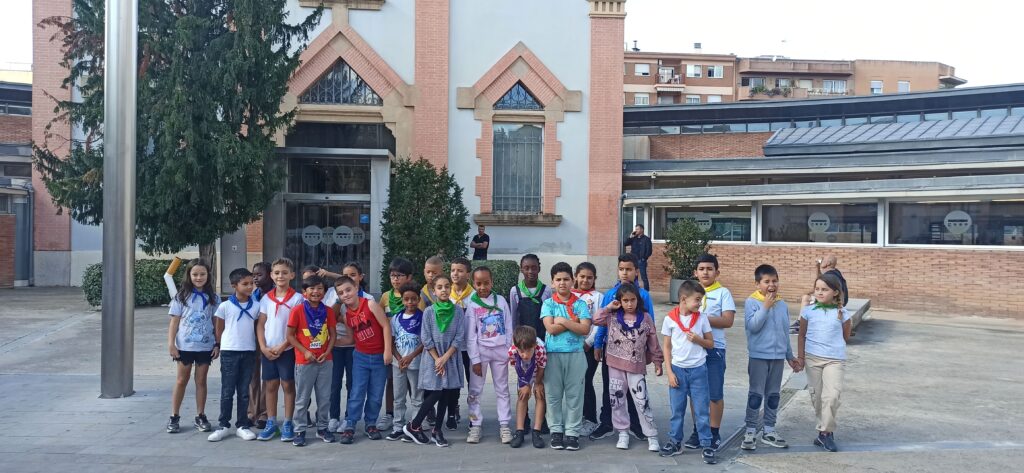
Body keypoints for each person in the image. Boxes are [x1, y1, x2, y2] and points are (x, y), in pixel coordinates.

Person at [592, 283, 664, 452]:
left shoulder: (645, 317)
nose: (629, 304)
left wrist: (657, 361)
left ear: (638, 300)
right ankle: (623, 433)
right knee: (617, 401)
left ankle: (651, 435)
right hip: (615, 366)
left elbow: (653, 341)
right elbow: (596, 319)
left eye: (633, 300)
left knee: (642, 400)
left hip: (636, 366)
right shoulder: (612, 316)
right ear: (619, 301)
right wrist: (609, 307)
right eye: (625, 300)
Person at [590, 254, 654, 442]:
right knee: (611, 389)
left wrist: (649, 351)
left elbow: (650, 324)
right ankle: (607, 423)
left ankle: (637, 424)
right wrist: (598, 344)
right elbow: (602, 322)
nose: (625, 273)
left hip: (635, 354)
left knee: (636, 390)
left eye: (629, 269)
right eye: (621, 269)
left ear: (636, 271)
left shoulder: (644, 295)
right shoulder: (610, 294)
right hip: (612, 352)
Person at [742, 264, 802, 451]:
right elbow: (753, 326)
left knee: (774, 396)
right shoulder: (752, 302)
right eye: (766, 281)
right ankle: (750, 430)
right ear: (757, 284)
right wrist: (765, 307)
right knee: (755, 395)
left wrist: (790, 356)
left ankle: (769, 430)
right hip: (759, 356)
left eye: (774, 281)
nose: (771, 285)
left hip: (777, 358)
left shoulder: (782, 304)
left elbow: (784, 332)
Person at [402, 274, 467, 448]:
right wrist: (438, 359)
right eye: (439, 287)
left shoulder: (458, 311)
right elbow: (426, 337)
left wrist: (445, 358)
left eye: (447, 286)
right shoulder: (429, 312)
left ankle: (437, 430)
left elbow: (459, 337)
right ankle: (414, 425)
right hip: (432, 358)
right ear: (434, 291)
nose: (444, 290)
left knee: (445, 393)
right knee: (435, 392)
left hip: (450, 357)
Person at [658, 280, 717, 465]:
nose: (700, 304)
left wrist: (698, 340)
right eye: (697, 300)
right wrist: (669, 372)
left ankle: (706, 443)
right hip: (678, 370)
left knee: (701, 410)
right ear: (684, 299)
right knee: (677, 410)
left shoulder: (702, 318)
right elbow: (666, 347)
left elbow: (711, 344)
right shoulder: (670, 319)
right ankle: (675, 441)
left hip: (698, 370)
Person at [685, 254, 735, 450]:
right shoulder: (689, 293)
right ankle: (699, 430)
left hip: (715, 349)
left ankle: (713, 432)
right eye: (701, 269)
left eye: (709, 269)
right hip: (693, 349)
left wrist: (701, 318)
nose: (705, 272)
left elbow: (728, 321)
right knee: (695, 393)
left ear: (717, 272)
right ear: (695, 272)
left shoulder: (723, 293)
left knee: (714, 393)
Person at [541, 262, 593, 451]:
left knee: (574, 396)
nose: (562, 283)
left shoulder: (580, 304)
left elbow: (585, 329)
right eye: (558, 280)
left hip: (576, 355)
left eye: (566, 279)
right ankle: (556, 431)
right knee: (553, 395)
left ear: (573, 281)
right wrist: (573, 322)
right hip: (553, 354)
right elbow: (550, 329)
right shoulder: (548, 303)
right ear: (552, 283)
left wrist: (562, 320)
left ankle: (572, 433)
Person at [797, 273, 851, 453]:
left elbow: (845, 336)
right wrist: (801, 358)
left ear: (835, 292)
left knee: (832, 396)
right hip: (813, 359)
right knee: (818, 397)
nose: (819, 292)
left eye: (824, 289)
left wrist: (833, 349)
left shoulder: (842, 313)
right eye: (817, 289)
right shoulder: (808, 311)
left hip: (834, 360)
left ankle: (826, 433)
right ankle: (823, 433)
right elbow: (802, 335)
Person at [337, 275, 393, 444]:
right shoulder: (346, 315)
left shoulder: (370, 304)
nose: (346, 294)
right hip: (360, 357)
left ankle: (371, 423)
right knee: (357, 392)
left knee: (376, 394)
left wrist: (387, 350)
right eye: (341, 293)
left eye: (348, 290)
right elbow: (350, 339)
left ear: (356, 288)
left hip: (379, 357)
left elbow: (385, 326)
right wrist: (330, 343)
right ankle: (350, 424)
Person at [166, 259, 220, 434]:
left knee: (201, 381)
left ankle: (200, 415)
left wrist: (217, 344)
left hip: (205, 347)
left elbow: (216, 322)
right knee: (181, 380)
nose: (199, 277)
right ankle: (174, 416)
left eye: (202, 274)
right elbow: (174, 322)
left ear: (208, 275)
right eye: (195, 274)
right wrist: (171, 344)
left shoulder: (214, 298)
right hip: (185, 346)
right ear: (189, 275)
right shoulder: (181, 297)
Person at [208, 268, 260, 442]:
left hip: (249, 351)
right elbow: (219, 328)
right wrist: (218, 345)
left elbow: (257, 328)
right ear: (234, 285)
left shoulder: (256, 306)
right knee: (227, 390)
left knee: (244, 391)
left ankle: (242, 425)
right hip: (229, 351)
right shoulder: (225, 306)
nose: (249, 287)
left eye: (251, 283)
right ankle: (223, 425)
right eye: (245, 284)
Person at [256, 258, 304, 442]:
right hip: (268, 350)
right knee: (270, 385)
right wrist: (263, 347)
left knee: (288, 385)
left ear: (292, 275)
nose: (280, 276)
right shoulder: (266, 298)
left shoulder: (298, 299)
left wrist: (283, 346)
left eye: (284, 272)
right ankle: (271, 422)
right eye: (276, 273)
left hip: (288, 349)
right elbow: (261, 325)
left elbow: (298, 328)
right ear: (271, 275)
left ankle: (288, 422)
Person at [286, 275, 338, 446]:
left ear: (325, 291)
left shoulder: (328, 311)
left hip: (325, 361)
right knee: (302, 398)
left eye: (320, 288)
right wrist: (305, 352)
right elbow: (290, 336)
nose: (316, 292)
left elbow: (332, 335)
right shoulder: (297, 310)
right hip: (304, 361)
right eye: (312, 288)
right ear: (304, 292)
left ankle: (322, 428)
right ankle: (299, 429)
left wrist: (327, 352)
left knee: (324, 398)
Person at [465, 266, 514, 444]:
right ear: (473, 283)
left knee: (502, 389)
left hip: (500, 352)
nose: (482, 287)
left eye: (486, 283)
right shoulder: (472, 304)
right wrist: (475, 359)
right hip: (481, 352)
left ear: (492, 282)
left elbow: (508, 325)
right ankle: (475, 424)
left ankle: (504, 425)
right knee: (474, 391)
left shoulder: (500, 301)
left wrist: (508, 349)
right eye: (478, 283)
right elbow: (470, 334)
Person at [328, 262, 377, 433]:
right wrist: (338, 300)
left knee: (352, 384)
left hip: (356, 347)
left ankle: (349, 417)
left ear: (360, 278)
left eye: (353, 275)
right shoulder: (336, 295)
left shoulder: (369, 299)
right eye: (345, 275)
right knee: (334, 383)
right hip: (337, 345)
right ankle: (333, 416)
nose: (349, 278)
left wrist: (344, 321)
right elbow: (330, 317)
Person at [510, 253, 553, 433]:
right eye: (526, 268)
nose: (530, 271)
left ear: (539, 268)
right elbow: (513, 318)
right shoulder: (515, 291)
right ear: (521, 269)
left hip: (540, 343)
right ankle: (525, 420)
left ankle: (542, 421)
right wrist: (514, 343)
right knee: (523, 381)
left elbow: (549, 317)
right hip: (522, 344)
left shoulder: (546, 291)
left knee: (541, 383)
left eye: (534, 268)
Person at [378, 258, 416, 432]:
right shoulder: (386, 297)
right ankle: (390, 414)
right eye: (392, 275)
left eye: (399, 275)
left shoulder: (413, 296)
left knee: (414, 384)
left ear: (409, 277)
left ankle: (418, 416)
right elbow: (380, 319)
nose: (395, 279)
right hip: (392, 347)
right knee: (392, 381)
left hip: (412, 348)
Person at [386, 282, 426, 441]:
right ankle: (398, 427)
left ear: (419, 299)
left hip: (416, 364)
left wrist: (410, 357)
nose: (410, 302)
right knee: (398, 397)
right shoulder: (396, 318)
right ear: (402, 300)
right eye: (406, 299)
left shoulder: (423, 317)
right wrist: (399, 358)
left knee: (417, 397)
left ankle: (415, 426)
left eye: (414, 299)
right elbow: (391, 341)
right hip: (398, 365)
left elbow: (425, 342)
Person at [572, 262, 603, 437]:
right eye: (582, 276)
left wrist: (589, 342)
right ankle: (576, 417)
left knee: (586, 379)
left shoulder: (598, 297)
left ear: (595, 279)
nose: (585, 280)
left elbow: (600, 322)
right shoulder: (570, 294)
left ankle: (590, 419)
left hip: (588, 347)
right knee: (573, 383)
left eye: (589, 277)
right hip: (571, 345)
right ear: (575, 276)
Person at [508, 326, 547, 449]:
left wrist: (538, 383)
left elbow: (541, 367)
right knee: (522, 396)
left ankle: (537, 431)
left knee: (540, 395)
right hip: (524, 371)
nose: (524, 355)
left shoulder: (540, 349)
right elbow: (518, 367)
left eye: (528, 351)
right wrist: (525, 384)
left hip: (538, 370)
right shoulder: (513, 351)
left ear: (534, 346)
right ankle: (519, 431)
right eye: (521, 351)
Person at [447, 256, 474, 429]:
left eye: (460, 271)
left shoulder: (474, 296)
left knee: (473, 383)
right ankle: (452, 412)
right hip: (452, 348)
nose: (455, 274)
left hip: (470, 348)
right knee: (453, 382)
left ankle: (474, 414)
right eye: (453, 270)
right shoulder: (446, 294)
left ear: (468, 274)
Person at [247, 262, 273, 430]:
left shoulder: (275, 295)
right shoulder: (251, 295)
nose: (255, 278)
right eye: (253, 275)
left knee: (268, 378)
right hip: (252, 339)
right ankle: (251, 412)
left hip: (270, 340)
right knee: (252, 376)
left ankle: (265, 413)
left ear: (270, 275)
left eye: (259, 275)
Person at [624, 224, 653, 290]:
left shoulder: (646, 239)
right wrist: (630, 236)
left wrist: (644, 258)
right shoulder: (634, 238)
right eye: (636, 229)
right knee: (633, 276)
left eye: (637, 229)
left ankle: (646, 292)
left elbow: (649, 251)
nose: (636, 230)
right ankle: (634, 290)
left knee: (644, 277)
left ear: (642, 230)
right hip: (633, 260)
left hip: (641, 261)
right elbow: (625, 243)